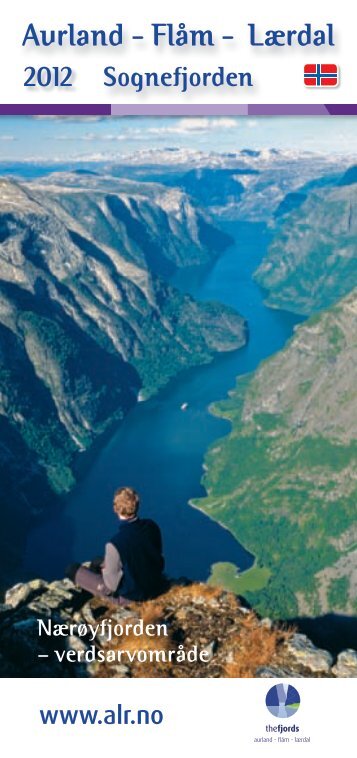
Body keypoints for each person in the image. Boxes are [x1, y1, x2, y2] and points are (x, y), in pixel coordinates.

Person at [68, 487, 168, 605]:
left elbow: (111, 585)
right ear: (137, 505)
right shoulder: (152, 526)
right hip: (156, 586)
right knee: (97, 561)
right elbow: (157, 559)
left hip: (132, 598)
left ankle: (89, 597)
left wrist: (105, 570)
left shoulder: (115, 544)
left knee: (72, 570)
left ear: (115, 509)